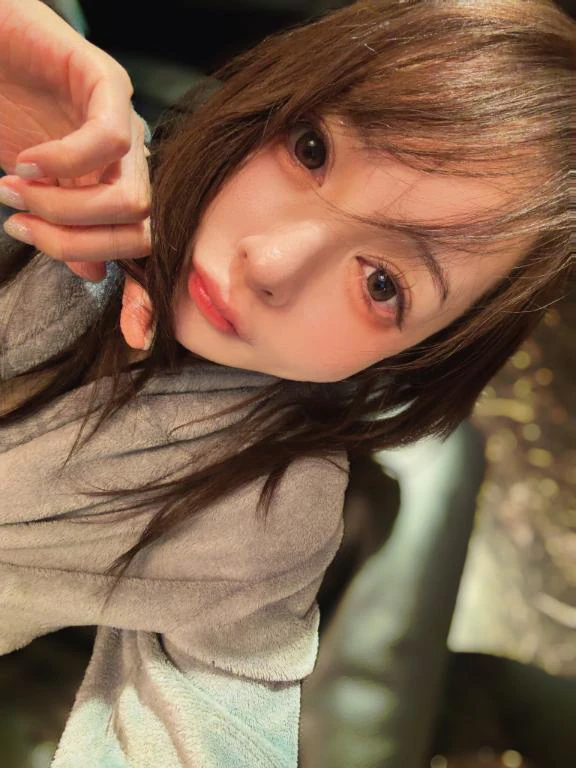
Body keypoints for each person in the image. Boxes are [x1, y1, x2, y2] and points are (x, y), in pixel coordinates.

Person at [0, 0, 574, 766]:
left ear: (422, 356)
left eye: (382, 284)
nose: (271, 262)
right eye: (311, 149)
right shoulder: (46, 154)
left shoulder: (268, 516)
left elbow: (217, 726)